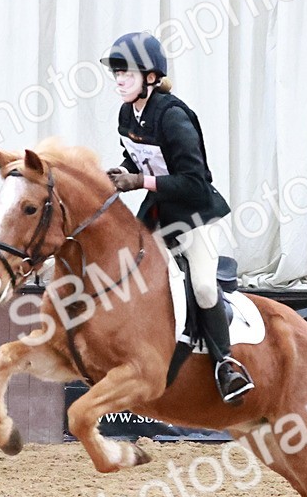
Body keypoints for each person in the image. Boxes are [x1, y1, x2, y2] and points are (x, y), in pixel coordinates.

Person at [100, 31, 254, 404]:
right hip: (157, 212)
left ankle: (226, 364)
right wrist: (121, 173)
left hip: (193, 215)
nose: (120, 79)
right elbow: (139, 158)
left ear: (151, 78)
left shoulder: (174, 117)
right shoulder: (127, 113)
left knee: (202, 286)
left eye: (129, 73)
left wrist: (139, 180)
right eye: (117, 72)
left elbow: (194, 182)